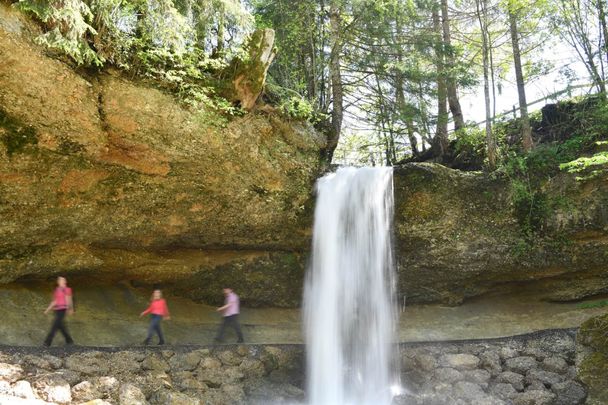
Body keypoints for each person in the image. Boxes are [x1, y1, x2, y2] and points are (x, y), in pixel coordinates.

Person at [43, 276, 74, 347]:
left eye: (63, 280)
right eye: (60, 280)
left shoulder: (67, 289)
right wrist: (47, 309)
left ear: (65, 281)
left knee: (54, 326)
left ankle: (47, 343)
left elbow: (69, 299)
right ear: (58, 282)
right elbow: (55, 301)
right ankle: (69, 341)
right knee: (61, 326)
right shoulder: (57, 290)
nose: (61, 281)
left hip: (63, 309)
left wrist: (70, 308)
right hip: (57, 310)